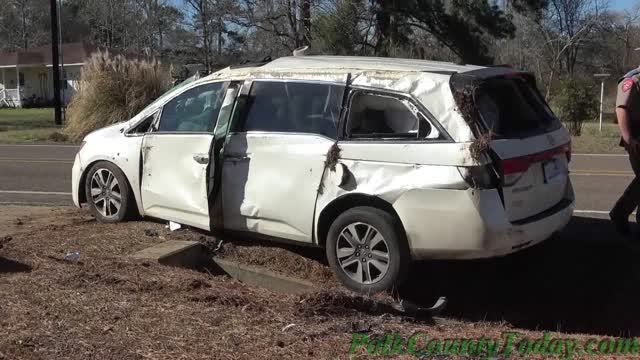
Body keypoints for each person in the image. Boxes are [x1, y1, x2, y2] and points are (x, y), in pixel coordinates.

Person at [610, 66, 640, 236]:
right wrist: (628, 139)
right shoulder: (632, 80)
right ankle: (620, 212)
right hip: (636, 138)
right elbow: (621, 109)